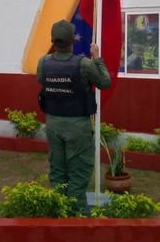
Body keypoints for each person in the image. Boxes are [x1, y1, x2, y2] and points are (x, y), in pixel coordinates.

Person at [37, 19, 111, 215]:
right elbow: (104, 82)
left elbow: (40, 79)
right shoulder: (84, 63)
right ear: (72, 40)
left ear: (52, 40)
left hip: (53, 124)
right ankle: (74, 219)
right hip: (77, 126)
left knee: (58, 172)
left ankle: (58, 212)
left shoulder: (43, 62)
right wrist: (97, 58)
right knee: (78, 173)